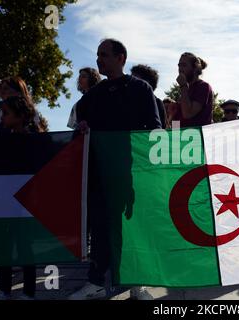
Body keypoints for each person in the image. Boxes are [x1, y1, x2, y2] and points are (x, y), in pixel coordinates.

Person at [69, 38, 161, 301]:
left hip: (132, 174)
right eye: (97, 55)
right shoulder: (94, 96)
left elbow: (154, 130)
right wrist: (83, 128)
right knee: (99, 229)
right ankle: (96, 282)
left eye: (105, 55)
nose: (99, 60)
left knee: (131, 228)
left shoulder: (141, 89)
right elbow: (80, 127)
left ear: (122, 58)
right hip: (99, 175)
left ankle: (136, 283)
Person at [0, 96, 43, 300]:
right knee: (4, 244)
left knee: (25, 245)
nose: (2, 117)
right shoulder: (0, 134)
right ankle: (4, 288)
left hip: (26, 201)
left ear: (20, 116)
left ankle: (28, 291)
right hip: (4, 199)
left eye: (6, 113)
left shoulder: (34, 139)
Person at [175, 52, 213, 127]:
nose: (180, 69)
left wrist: (183, 86)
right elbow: (177, 121)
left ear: (195, 68)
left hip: (197, 137)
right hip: (181, 137)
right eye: (179, 65)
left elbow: (188, 114)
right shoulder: (185, 89)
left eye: (184, 65)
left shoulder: (203, 86)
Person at [131, 64, 167, 129]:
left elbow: (162, 130)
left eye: (135, 79)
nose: (130, 82)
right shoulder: (127, 100)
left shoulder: (157, 103)